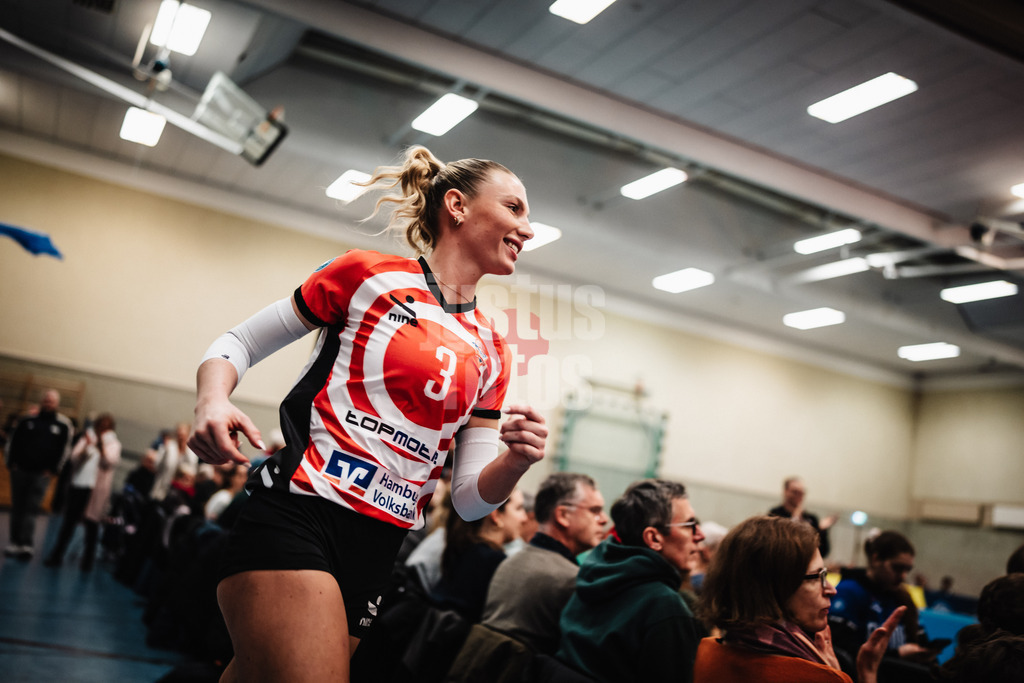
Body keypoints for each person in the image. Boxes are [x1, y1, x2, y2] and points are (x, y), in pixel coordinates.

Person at [187, 145, 546, 683]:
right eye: (515, 208)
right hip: (300, 516)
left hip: (379, 548)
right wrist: (213, 399)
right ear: (457, 206)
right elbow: (238, 342)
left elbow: (469, 502)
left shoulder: (493, 348)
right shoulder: (366, 274)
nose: (529, 228)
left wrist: (515, 460)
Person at [694, 515, 905, 683]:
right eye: (817, 577)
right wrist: (865, 675)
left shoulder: (706, 652)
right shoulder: (817, 677)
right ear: (773, 587)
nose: (831, 589)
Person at [556, 478, 705, 683]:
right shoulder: (665, 607)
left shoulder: (593, 575)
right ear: (654, 538)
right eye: (690, 525)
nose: (700, 535)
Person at [482, 471, 606, 654]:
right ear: (563, 515)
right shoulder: (569, 580)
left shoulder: (511, 561)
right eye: (594, 511)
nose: (604, 519)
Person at [829, 530, 936, 666]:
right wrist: (897, 655)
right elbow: (839, 652)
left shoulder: (903, 597)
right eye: (897, 567)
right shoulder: (849, 592)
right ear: (875, 559)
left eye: (907, 569)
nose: (903, 575)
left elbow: (922, 641)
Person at [431, 487, 528, 622]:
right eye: (519, 509)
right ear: (496, 515)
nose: (524, 518)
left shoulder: (463, 548)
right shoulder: (493, 562)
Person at [44, 413, 121, 570]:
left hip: (95, 491)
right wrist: (86, 446)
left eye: (106, 426)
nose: (103, 429)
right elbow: (74, 458)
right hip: (79, 486)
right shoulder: (87, 438)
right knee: (69, 523)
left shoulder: (113, 444)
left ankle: (87, 563)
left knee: (92, 527)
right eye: (101, 425)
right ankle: (57, 555)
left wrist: (99, 444)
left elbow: (109, 462)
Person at [4, 389, 74, 559]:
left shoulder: (62, 425)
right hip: (20, 471)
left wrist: (53, 469)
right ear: (42, 401)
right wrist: (11, 463)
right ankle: (14, 542)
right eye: (46, 400)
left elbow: (65, 450)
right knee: (18, 507)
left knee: (31, 508)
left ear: (56, 404)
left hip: (41, 475)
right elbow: (12, 442)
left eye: (52, 401)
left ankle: (26, 544)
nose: (48, 403)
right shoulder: (27, 420)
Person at [769, 476, 836, 559]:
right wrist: (795, 518)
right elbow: (777, 545)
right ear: (785, 491)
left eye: (801, 492)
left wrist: (822, 530)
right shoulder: (774, 514)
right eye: (795, 492)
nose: (799, 495)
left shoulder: (811, 518)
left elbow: (822, 552)